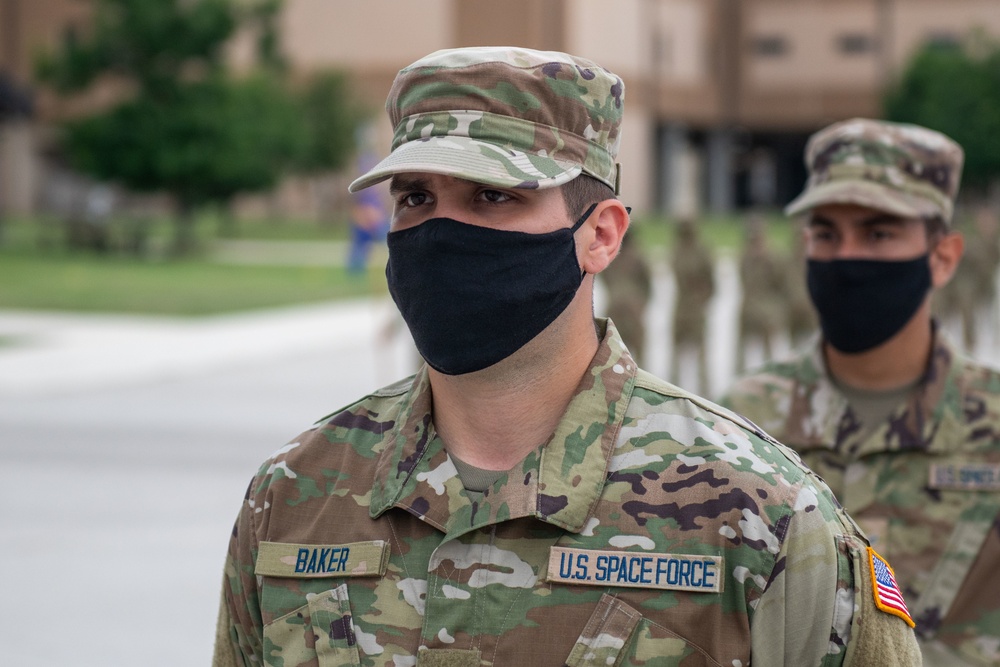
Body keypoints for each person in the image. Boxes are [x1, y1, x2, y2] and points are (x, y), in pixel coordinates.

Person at [213, 50, 919, 667]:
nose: (439, 232)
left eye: (493, 196)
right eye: (416, 197)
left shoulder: (756, 513)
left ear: (601, 235)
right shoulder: (294, 495)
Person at [719, 117, 1000, 666]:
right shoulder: (739, 424)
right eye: (827, 234)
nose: (847, 257)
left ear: (942, 256)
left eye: (878, 233)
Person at [735, 213, 786, 373]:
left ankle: (770, 378)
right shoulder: (745, 256)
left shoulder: (772, 256)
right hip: (751, 305)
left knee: (768, 350)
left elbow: (780, 283)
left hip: (766, 307)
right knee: (742, 348)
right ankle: (740, 378)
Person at [669, 215, 715, 393]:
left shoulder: (699, 252)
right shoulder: (679, 251)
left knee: (700, 351)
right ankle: (674, 389)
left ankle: (704, 390)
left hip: (693, 306)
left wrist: (702, 299)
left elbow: (711, 283)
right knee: (678, 350)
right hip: (683, 305)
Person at [600, 229, 652, 364]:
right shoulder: (638, 255)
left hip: (615, 307)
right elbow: (647, 284)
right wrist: (641, 302)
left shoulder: (610, 255)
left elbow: (605, 277)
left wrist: (615, 292)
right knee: (638, 351)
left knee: (614, 350)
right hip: (633, 308)